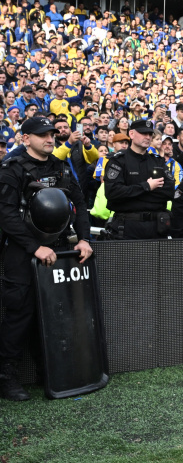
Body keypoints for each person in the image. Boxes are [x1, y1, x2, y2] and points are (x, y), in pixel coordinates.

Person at [0, 117, 93, 401]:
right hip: (23, 253)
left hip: (60, 250)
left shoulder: (62, 166)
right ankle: (5, 377)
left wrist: (85, 238)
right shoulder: (11, 169)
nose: (50, 139)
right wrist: (34, 248)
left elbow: (79, 206)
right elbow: (6, 215)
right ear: (25, 138)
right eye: (42, 135)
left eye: (52, 134)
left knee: (57, 312)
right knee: (20, 315)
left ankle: (50, 371)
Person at [102, 119, 175, 239]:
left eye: (150, 134)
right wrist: (147, 187)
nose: (147, 137)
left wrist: (132, 193)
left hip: (155, 228)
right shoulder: (119, 161)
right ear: (131, 134)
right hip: (127, 228)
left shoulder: (157, 161)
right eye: (143, 133)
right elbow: (113, 192)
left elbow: (169, 191)